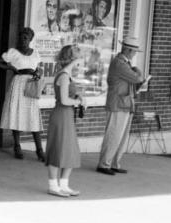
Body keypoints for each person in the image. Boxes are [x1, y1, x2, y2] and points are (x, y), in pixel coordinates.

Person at [96, 34, 147, 175]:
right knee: (113, 135)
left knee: (121, 137)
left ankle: (114, 163)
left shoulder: (124, 63)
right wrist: (138, 71)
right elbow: (137, 78)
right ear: (129, 50)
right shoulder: (120, 63)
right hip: (118, 104)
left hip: (124, 103)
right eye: (135, 51)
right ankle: (104, 164)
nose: (135, 54)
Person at [0, 27, 44, 161]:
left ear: (30, 39)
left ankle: (39, 150)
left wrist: (38, 73)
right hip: (18, 84)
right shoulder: (13, 52)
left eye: (26, 37)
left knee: (33, 116)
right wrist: (10, 67)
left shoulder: (35, 53)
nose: (23, 40)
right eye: (22, 37)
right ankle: (17, 146)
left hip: (30, 84)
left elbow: (38, 67)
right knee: (17, 114)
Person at [45, 45, 85, 197]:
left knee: (69, 149)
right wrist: (78, 102)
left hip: (66, 116)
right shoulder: (63, 76)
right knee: (58, 149)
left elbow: (68, 97)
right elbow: (64, 100)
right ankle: (53, 186)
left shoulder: (67, 75)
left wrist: (77, 97)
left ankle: (64, 184)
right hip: (61, 115)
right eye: (79, 59)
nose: (80, 62)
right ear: (74, 59)